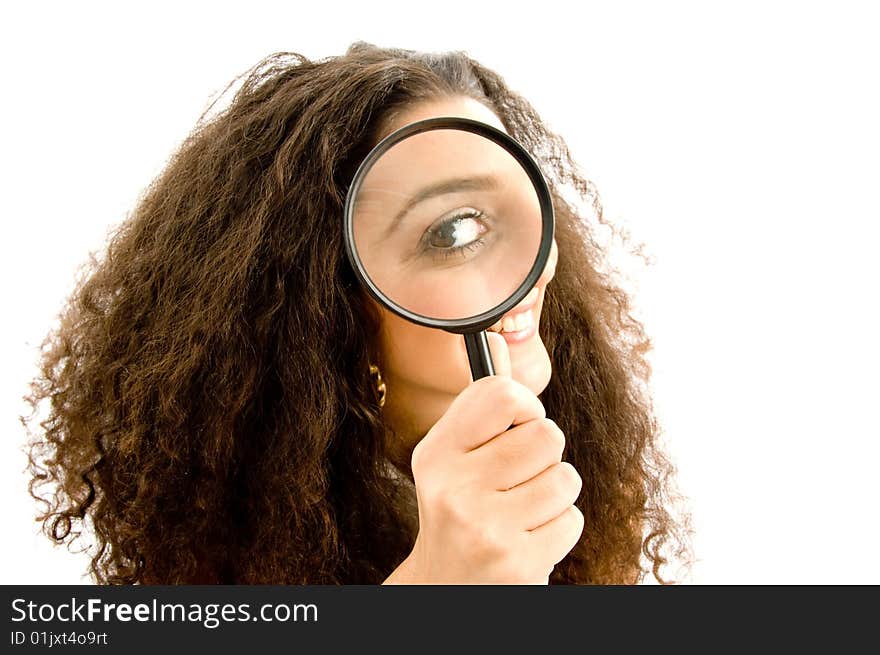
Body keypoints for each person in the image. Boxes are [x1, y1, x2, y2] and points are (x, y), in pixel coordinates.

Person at [23, 42, 690, 584]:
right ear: (328, 309)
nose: (537, 268)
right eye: (456, 230)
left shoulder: (585, 499)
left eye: (525, 207)